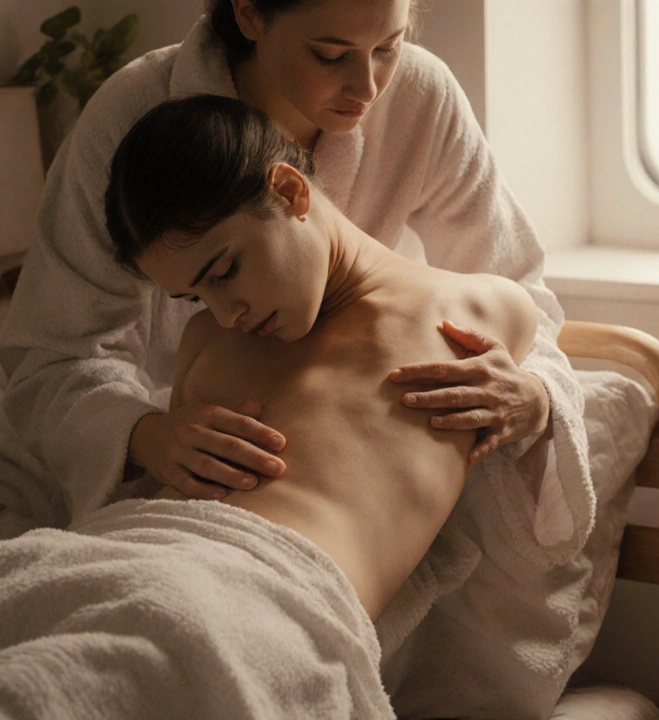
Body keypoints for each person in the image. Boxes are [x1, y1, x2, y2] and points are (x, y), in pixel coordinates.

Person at [0, 1, 602, 716]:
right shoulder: (135, 119)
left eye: (392, 45)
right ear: (250, 13)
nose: (370, 87)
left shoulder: (419, 101)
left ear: (291, 192)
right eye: (331, 53)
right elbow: (52, 356)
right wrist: (144, 433)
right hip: (128, 532)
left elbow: (524, 304)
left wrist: (534, 396)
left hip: (266, 585)